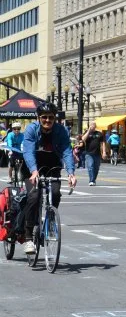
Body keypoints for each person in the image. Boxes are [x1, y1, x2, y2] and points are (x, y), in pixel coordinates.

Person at [21, 104, 77, 255]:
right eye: (44, 117)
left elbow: (66, 151)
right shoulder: (31, 129)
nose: (47, 120)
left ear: (54, 118)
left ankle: (50, 222)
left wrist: (71, 173)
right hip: (32, 168)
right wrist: (33, 171)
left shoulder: (61, 131)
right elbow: (28, 152)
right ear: (38, 118)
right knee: (34, 196)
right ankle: (28, 238)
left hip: (52, 166)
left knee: (56, 192)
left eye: (51, 117)